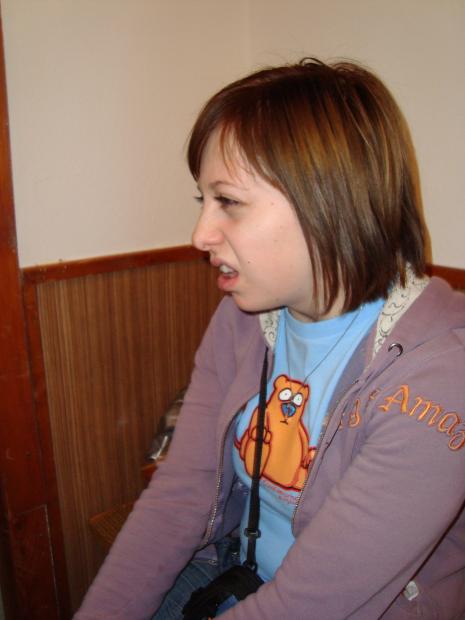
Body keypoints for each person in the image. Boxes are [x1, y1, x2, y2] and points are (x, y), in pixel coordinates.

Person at [75, 58, 465, 619]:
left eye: (229, 202)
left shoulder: (438, 377)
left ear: (329, 201)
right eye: (203, 201)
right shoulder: (241, 320)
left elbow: (312, 603)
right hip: (237, 565)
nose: (200, 235)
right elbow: (182, 494)